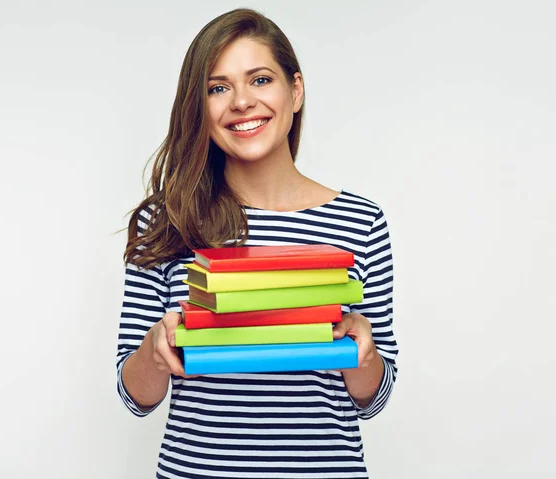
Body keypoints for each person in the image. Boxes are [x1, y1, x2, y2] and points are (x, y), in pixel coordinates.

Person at [116, 7, 398, 479]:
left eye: (260, 80)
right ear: (199, 108)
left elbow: (375, 396)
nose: (241, 101)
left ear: (296, 90)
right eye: (218, 88)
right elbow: (134, 395)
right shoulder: (167, 219)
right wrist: (154, 349)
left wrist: (361, 352)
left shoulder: (361, 221)